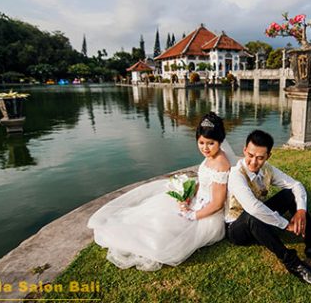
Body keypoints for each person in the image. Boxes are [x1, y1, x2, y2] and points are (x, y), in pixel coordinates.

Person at [88, 112, 231, 271]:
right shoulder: (210, 156)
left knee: (163, 237)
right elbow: (202, 183)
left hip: (208, 214)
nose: (205, 148)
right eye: (201, 142)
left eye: (211, 143)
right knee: (155, 213)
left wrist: (193, 214)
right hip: (197, 202)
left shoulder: (221, 164)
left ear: (220, 141)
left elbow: (218, 203)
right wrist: (187, 197)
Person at [226, 130, 311, 286]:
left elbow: (296, 185)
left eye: (260, 158)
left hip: (259, 218)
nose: (253, 162)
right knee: (253, 215)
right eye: (250, 155)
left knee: (289, 193)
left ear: (268, 156)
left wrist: (301, 211)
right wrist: (285, 224)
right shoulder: (236, 174)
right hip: (237, 228)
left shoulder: (267, 169)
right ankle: (293, 264)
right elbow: (253, 208)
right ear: (244, 150)